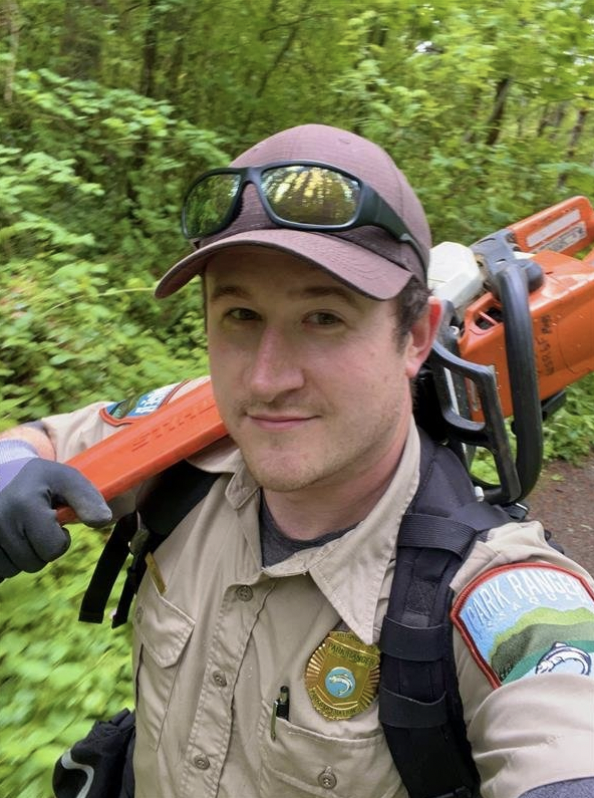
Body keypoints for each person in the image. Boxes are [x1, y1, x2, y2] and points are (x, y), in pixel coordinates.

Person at [1, 124, 593, 798]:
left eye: (324, 319)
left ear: (416, 336)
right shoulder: (190, 429)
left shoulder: (496, 591)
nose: (265, 379)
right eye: (241, 315)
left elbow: (564, 729)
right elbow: (45, 439)